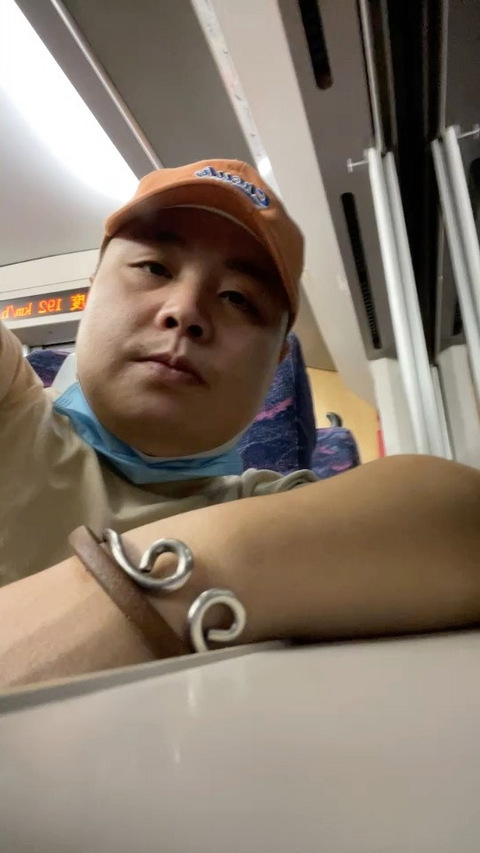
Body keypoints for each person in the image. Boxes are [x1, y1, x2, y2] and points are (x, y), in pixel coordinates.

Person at [0, 159, 479, 690]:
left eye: (237, 298)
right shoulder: (11, 408)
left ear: (276, 364)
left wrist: (134, 587)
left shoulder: (270, 505)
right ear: (91, 295)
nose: (186, 311)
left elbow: (461, 517)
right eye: (155, 268)